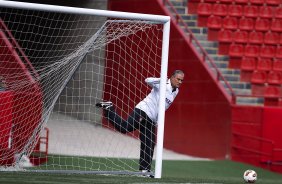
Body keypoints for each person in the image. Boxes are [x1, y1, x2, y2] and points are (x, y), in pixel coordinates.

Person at [95, 70, 184, 177]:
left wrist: (156, 121)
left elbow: (162, 107)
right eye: (178, 79)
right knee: (125, 128)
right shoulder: (163, 83)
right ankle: (109, 108)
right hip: (143, 111)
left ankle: (144, 171)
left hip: (151, 119)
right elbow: (147, 80)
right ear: (172, 77)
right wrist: (161, 80)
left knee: (149, 143)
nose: (180, 82)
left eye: (181, 80)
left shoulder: (176, 91)